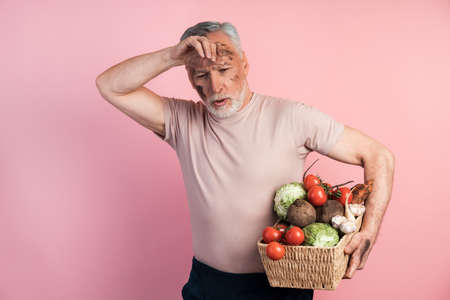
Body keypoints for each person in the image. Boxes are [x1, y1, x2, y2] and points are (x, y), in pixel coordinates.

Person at [95, 21, 395, 300]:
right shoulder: (182, 120)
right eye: (201, 74)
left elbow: (378, 155)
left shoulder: (291, 117)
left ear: (245, 63)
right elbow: (110, 85)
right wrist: (172, 56)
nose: (215, 86)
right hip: (208, 285)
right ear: (189, 78)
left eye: (224, 69)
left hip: (283, 282)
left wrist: (368, 232)